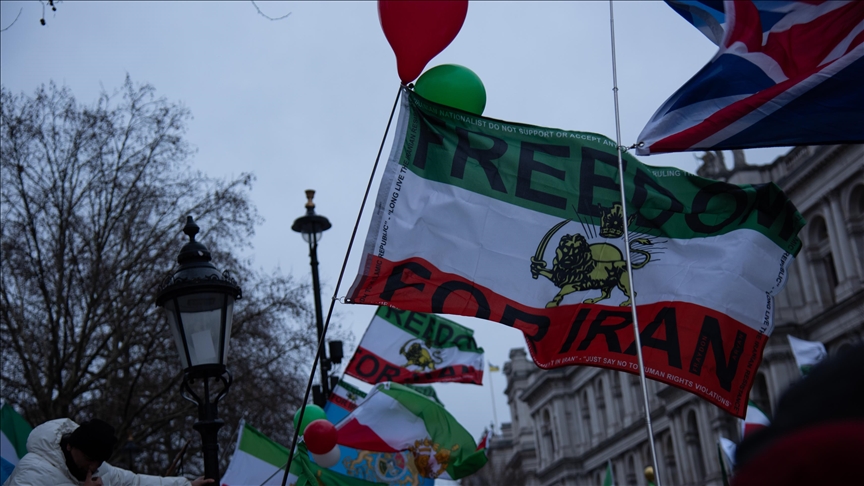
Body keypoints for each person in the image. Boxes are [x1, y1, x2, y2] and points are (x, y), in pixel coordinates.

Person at [2, 418, 214, 486]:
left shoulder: (94, 469)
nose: (94, 467)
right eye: (89, 459)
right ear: (70, 446)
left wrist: (186, 484)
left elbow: (135, 482)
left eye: (99, 460)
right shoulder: (31, 473)